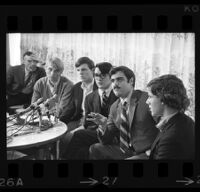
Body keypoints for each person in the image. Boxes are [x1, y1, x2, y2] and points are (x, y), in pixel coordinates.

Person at [89, 66, 158, 159]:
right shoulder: (114, 107)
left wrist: (150, 152)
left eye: (119, 80)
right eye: (112, 81)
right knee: (95, 148)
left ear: (131, 81)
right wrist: (103, 125)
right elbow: (106, 141)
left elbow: (165, 128)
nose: (115, 84)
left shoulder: (146, 100)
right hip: (126, 151)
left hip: (146, 153)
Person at [126, 74, 195, 160]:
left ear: (163, 99)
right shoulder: (181, 120)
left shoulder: (171, 136)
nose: (147, 102)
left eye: (150, 97)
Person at [61, 62, 118, 159]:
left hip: (113, 133)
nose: (99, 78)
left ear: (111, 77)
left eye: (103, 75)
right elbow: (88, 123)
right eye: (96, 75)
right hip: (95, 132)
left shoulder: (117, 95)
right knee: (82, 151)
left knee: (79, 134)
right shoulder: (90, 98)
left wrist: (104, 125)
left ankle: (64, 159)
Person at [59, 57, 97, 131]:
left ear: (93, 70)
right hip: (78, 120)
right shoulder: (76, 87)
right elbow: (71, 108)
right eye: (78, 70)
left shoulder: (99, 87)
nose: (80, 73)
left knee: (69, 137)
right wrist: (59, 122)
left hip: (92, 123)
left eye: (84, 69)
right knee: (59, 133)